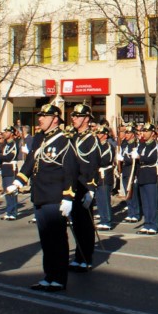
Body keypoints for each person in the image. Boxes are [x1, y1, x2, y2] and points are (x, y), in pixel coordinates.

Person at [10, 101, 88, 292]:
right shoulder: (40, 139)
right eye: (39, 117)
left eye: (44, 117)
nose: (40, 120)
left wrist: (69, 197)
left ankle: (59, 279)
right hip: (40, 196)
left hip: (55, 198)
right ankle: (49, 275)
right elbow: (31, 162)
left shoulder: (64, 141)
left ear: (55, 119)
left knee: (57, 240)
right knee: (46, 239)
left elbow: (71, 170)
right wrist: (19, 181)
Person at [65, 104, 100, 269]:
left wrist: (91, 189)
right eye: (73, 116)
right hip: (74, 185)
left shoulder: (91, 139)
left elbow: (93, 165)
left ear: (86, 118)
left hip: (85, 186)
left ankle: (86, 258)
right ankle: (79, 257)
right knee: (77, 223)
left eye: (78, 116)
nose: (74, 119)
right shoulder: (73, 137)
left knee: (85, 224)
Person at [0, 129, 21, 220]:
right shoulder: (5, 144)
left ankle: (13, 212)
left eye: (6, 132)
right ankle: (9, 211)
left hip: (11, 168)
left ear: (11, 133)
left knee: (12, 191)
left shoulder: (14, 144)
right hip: (5, 169)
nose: (4, 134)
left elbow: (10, 157)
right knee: (7, 191)